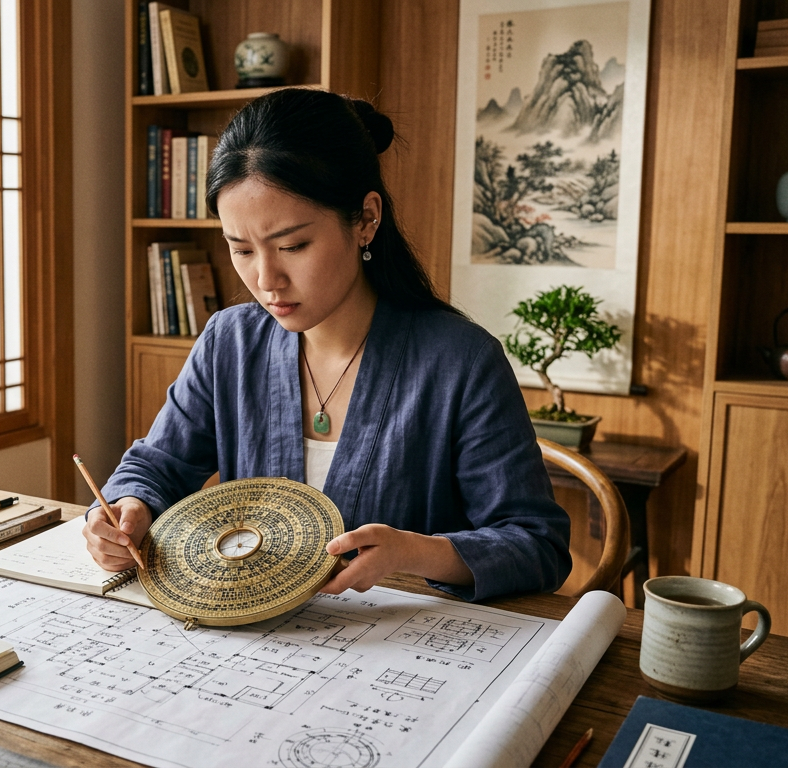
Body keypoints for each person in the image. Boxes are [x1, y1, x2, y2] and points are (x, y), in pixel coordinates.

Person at [84, 88, 571, 601]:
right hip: (250, 631)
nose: (266, 279)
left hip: (404, 640)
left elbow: (537, 544)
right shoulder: (229, 342)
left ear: (366, 219)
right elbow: (155, 467)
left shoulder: (461, 362)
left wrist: (414, 552)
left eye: (293, 245)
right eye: (241, 250)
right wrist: (126, 509)